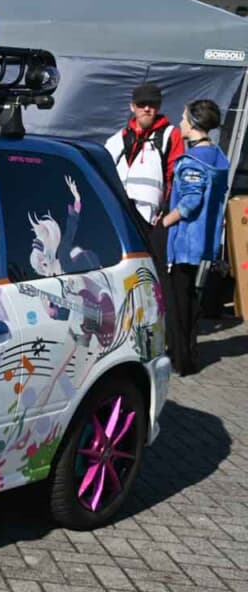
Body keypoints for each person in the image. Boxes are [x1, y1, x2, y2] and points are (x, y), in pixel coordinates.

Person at [156, 99, 230, 376]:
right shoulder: (217, 155)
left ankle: (180, 358)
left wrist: (164, 222)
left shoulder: (193, 161)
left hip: (185, 239)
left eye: (184, 118)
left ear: (195, 123)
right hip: (203, 238)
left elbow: (190, 202)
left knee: (177, 300)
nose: (180, 123)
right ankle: (189, 353)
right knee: (189, 297)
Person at [105, 83, 185, 246]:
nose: (147, 109)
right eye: (142, 104)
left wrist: (165, 212)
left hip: (150, 218)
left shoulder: (170, 135)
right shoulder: (118, 138)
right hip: (118, 213)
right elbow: (102, 173)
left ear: (158, 107)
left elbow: (176, 178)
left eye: (152, 104)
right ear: (132, 107)